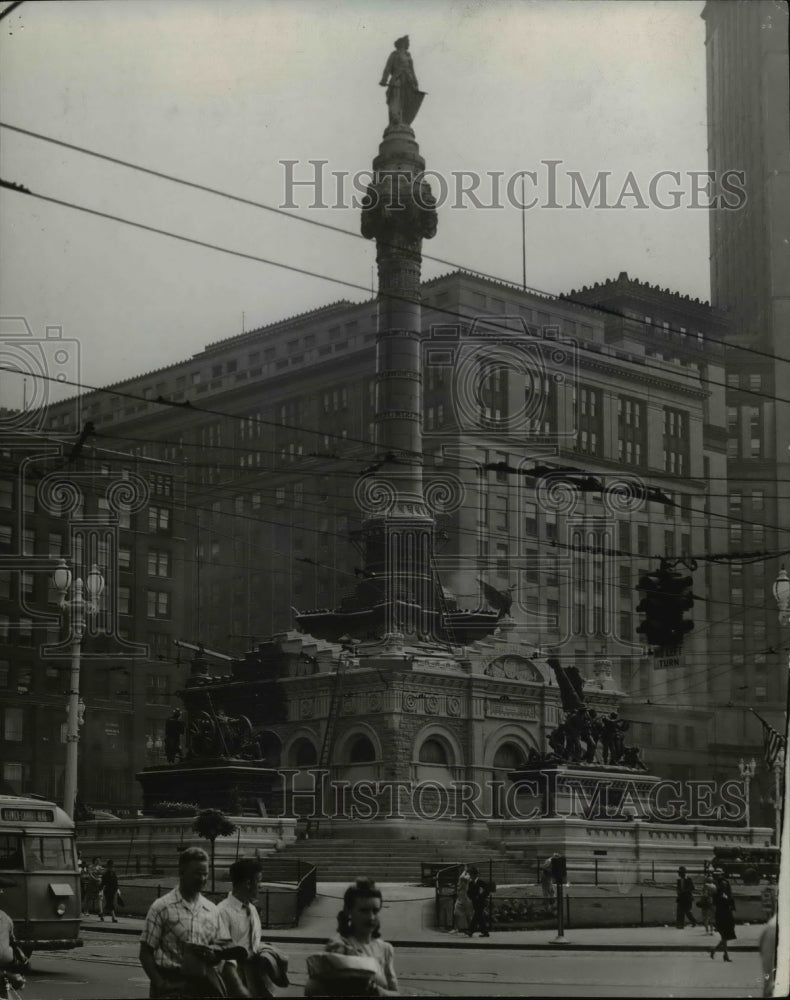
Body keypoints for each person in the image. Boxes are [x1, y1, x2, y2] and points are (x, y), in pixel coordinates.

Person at [139, 846, 226, 998]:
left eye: (205, 874)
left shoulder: (212, 910)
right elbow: (145, 952)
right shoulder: (162, 907)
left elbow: (221, 947)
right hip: (171, 986)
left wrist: (214, 954)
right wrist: (161, 984)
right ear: (182, 872)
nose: (202, 879)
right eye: (197, 874)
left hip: (203, 987)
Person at [306, 878, 399, 996]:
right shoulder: (340, 946)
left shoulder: (386, 949)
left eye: (375, 911)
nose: (371, 917)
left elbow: (396, 993)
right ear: (348, 911)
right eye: (364, 911)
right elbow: (319, 989)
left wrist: (377, 991)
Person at [216, 858, 289, 998]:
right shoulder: (222, 912)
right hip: (235, 978)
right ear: (248, 883)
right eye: (259, 881)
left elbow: (252, 942)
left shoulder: (252, 909)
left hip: (256, 976)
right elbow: (223, 955)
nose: (261, 886)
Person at [379, 36, 423, 127]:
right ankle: (395, 118)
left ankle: (404, 121)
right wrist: (384, 79)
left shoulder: (408, 55)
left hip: (408, 80)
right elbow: (388, 67)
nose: (408, 44)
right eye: (407, 42)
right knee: (396, 98)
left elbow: (412, 70)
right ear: (402, 43)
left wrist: (416, 82)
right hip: (397, 79)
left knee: (406, 100)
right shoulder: (394, 54)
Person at [709, 868, 736, 962]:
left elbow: (731, 902)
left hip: (727, 915)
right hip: (721, 915)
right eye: (723, 883)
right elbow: (714, 906)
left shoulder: (727, 893)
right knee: (724, 937)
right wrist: (713, 918)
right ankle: (725, 955)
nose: (725, 884)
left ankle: (716, 950)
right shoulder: (717, 894)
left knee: (726, 937)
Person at [466, 866, 491, 937]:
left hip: (481, 902)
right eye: (470, 875)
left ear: (475, 875)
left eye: (471, 875)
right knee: (479, 917)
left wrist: (481, 896)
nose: (470, 876)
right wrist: (472, 897)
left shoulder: (481, 882)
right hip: (475, 902)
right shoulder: (471, 883)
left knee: (477, 915)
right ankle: (485, 932)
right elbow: (469, 893)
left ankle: (470, 930)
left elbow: (487, 890)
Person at [451, 865, 472, 934]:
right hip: (460, 898)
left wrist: (465, 870)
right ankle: (456, 928)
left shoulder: (468, 876)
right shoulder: (461, 877)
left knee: (468, 915)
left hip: (466, 899)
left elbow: (463, 878)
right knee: (456, 913)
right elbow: (461, 878)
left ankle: (471, 929)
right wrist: (464, 871)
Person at [100, 859, 119, 923]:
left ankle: (102, 914)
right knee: (110, 903)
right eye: (110, 865)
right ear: (108, 865)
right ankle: (113, 917)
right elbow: (103, 882)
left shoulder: (113, 873)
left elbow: (116, 882)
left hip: (112, 890)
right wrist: (100, 889)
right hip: (107, 890)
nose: (111, 866)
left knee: (109, 904)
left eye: (112, 865)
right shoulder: (106, 873)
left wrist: (117, 889)